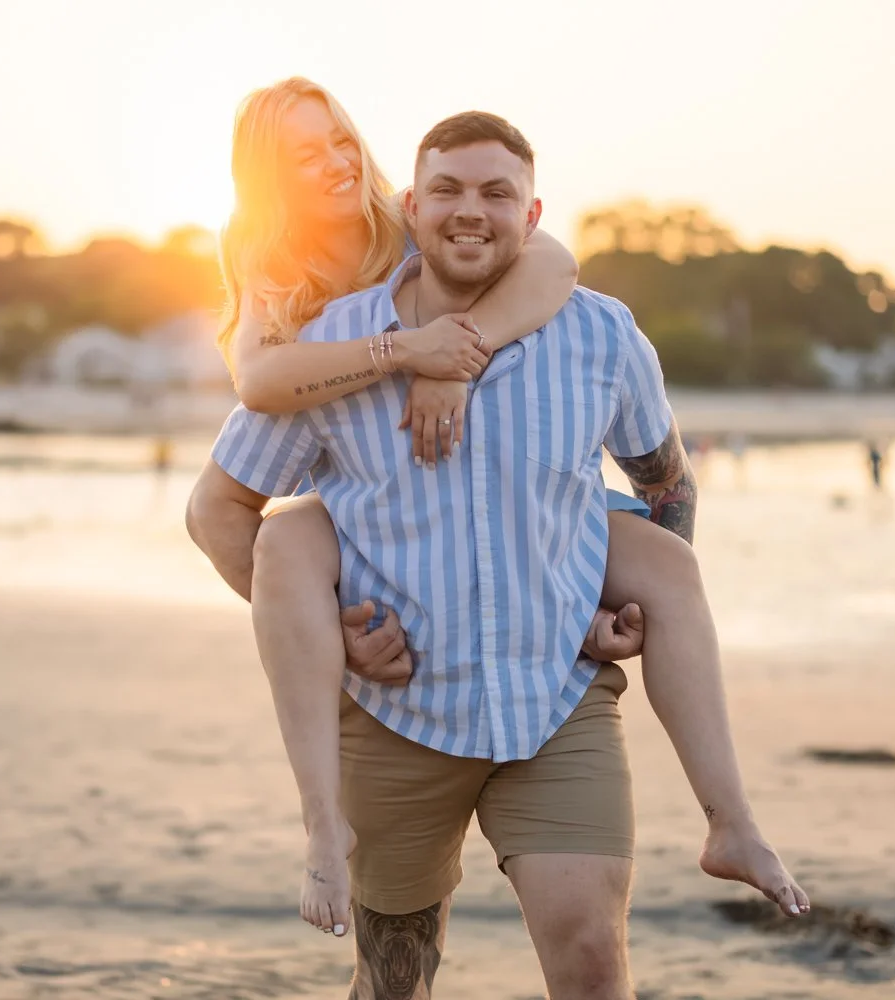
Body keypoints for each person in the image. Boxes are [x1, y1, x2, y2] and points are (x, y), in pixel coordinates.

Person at [189, 103, 806, 997]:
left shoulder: (593, 328)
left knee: (593, 961)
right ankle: (324, 826)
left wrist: (610, 604)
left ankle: (732, 820)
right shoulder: (310, 320)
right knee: (396, 981)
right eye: (446, 191)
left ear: (533, 210)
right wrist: (336, 631)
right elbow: (226, 489)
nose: (469, 209)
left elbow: (667, 481)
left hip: (551, 697)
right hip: (401, 708)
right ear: (414, 203)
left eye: (496, 195)